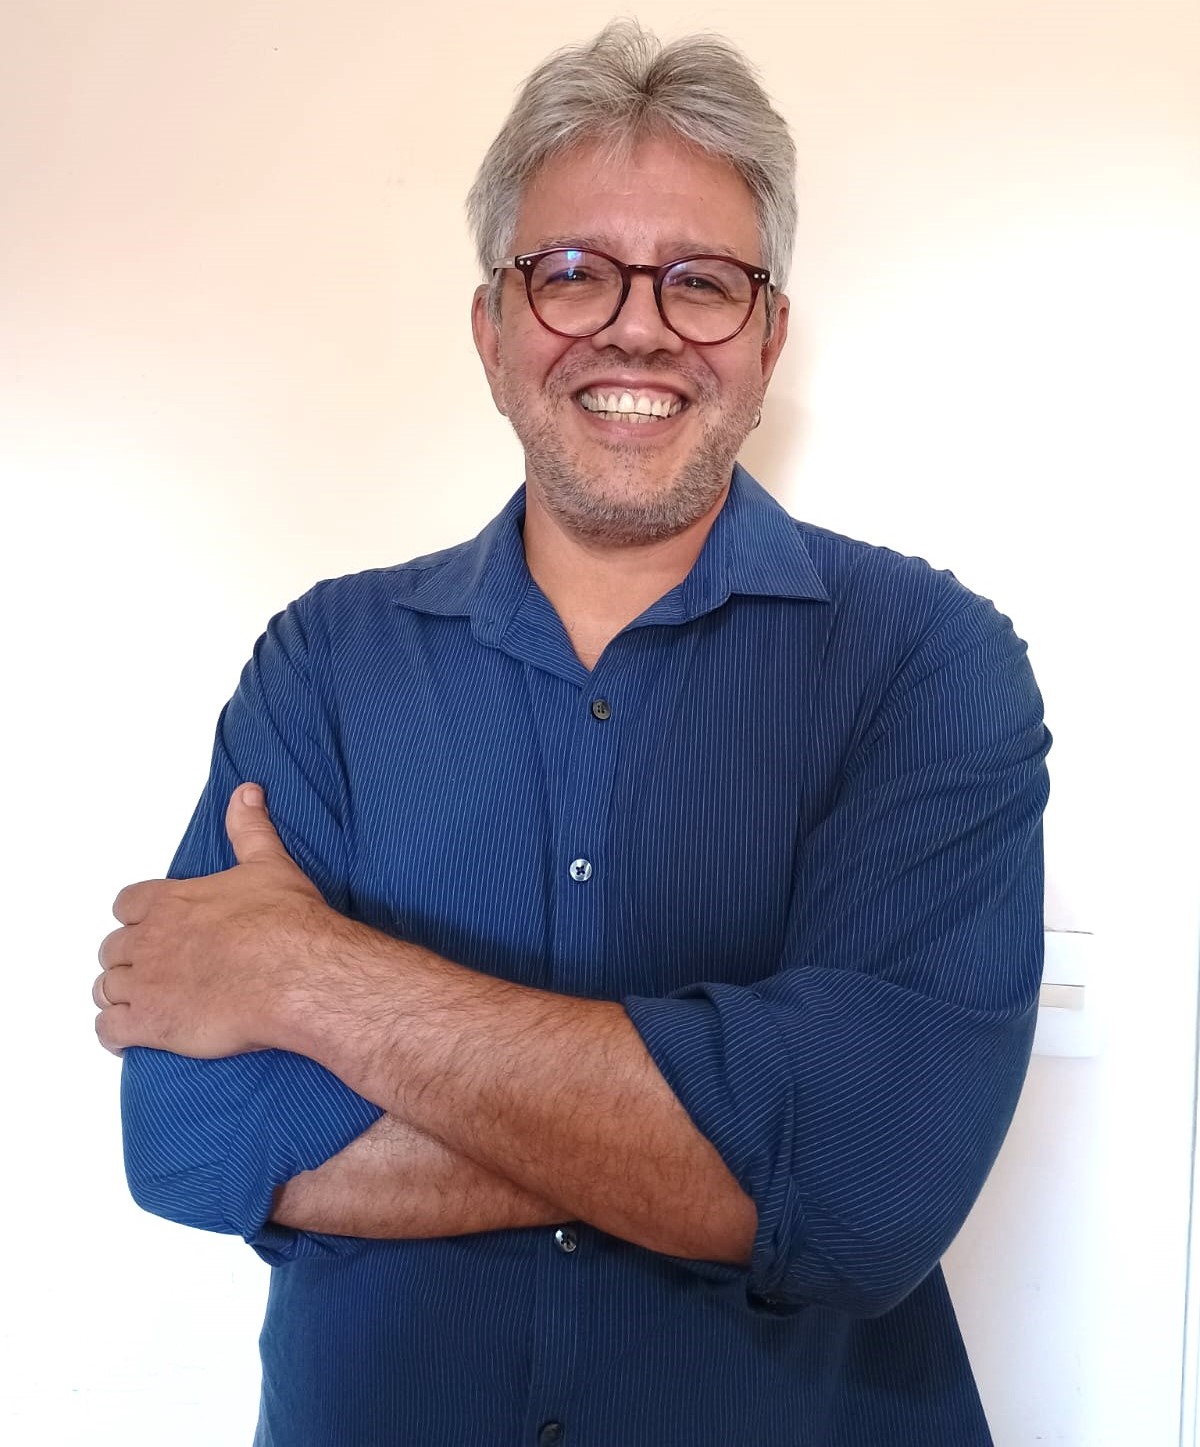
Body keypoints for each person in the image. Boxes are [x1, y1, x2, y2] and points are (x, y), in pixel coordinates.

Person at [94, 20, 1049, 1447]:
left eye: (702, 281)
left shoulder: (928, 661)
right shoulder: (324, 664)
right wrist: (733, 1154)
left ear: (770, 337)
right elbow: (189, 1140)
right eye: (572, 271)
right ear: (493, 330)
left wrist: (310, 979)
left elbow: (869, 1197)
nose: (637, 327)